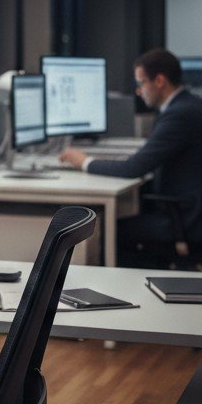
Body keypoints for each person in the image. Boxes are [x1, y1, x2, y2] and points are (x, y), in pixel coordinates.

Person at [60, 48, 202, 253]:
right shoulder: (187, 105)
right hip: (186, 210)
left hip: (187, 220)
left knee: (107, 231)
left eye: (141, 83)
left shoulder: (180, 114)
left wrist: (84, 162)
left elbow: (133, 168)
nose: (138, 91)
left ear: (159, 81)